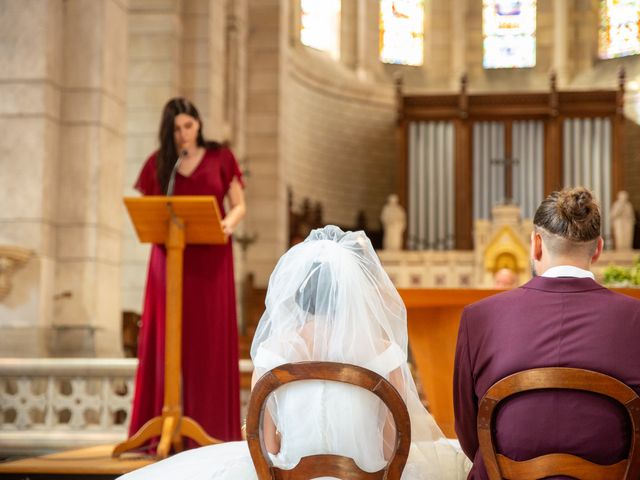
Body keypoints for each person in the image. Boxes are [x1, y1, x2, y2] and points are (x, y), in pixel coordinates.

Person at [120, 226, 471, 479]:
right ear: (353, 293)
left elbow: (267, 444)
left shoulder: (274, 351)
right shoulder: (384, 352)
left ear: (299, 291)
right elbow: (392, 444)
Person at [453, 187, 640, 479]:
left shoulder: (479, 317)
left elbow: (468, 430)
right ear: (599, 249)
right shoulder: (636, 318)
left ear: (536, 245)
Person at [129, 97, 246, 445]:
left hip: (212, 258)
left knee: (207, 340)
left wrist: (226, 224)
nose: (183, 134)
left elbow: (239, 205)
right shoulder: (159, 163)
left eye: (189, 126)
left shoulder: (221, 157)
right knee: (167, 337)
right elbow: (150, 209)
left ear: (198, 124)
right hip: (169, 259)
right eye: (176, 129)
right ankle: (162, 426)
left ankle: (209, 431)